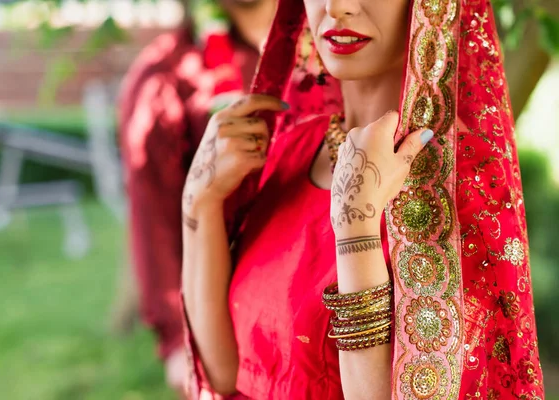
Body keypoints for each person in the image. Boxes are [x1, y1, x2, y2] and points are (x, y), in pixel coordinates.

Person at [182, 0, 545, 399]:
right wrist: (199, 204)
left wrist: (357, 228)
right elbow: (225, 375)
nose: (337, 7)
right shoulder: (291, 151)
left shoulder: (460, 188)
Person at [118, 0, 340, 394]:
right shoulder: (162, 81)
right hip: (231, 326)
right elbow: (155, 230)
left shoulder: (338, 39)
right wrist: (182, 350)